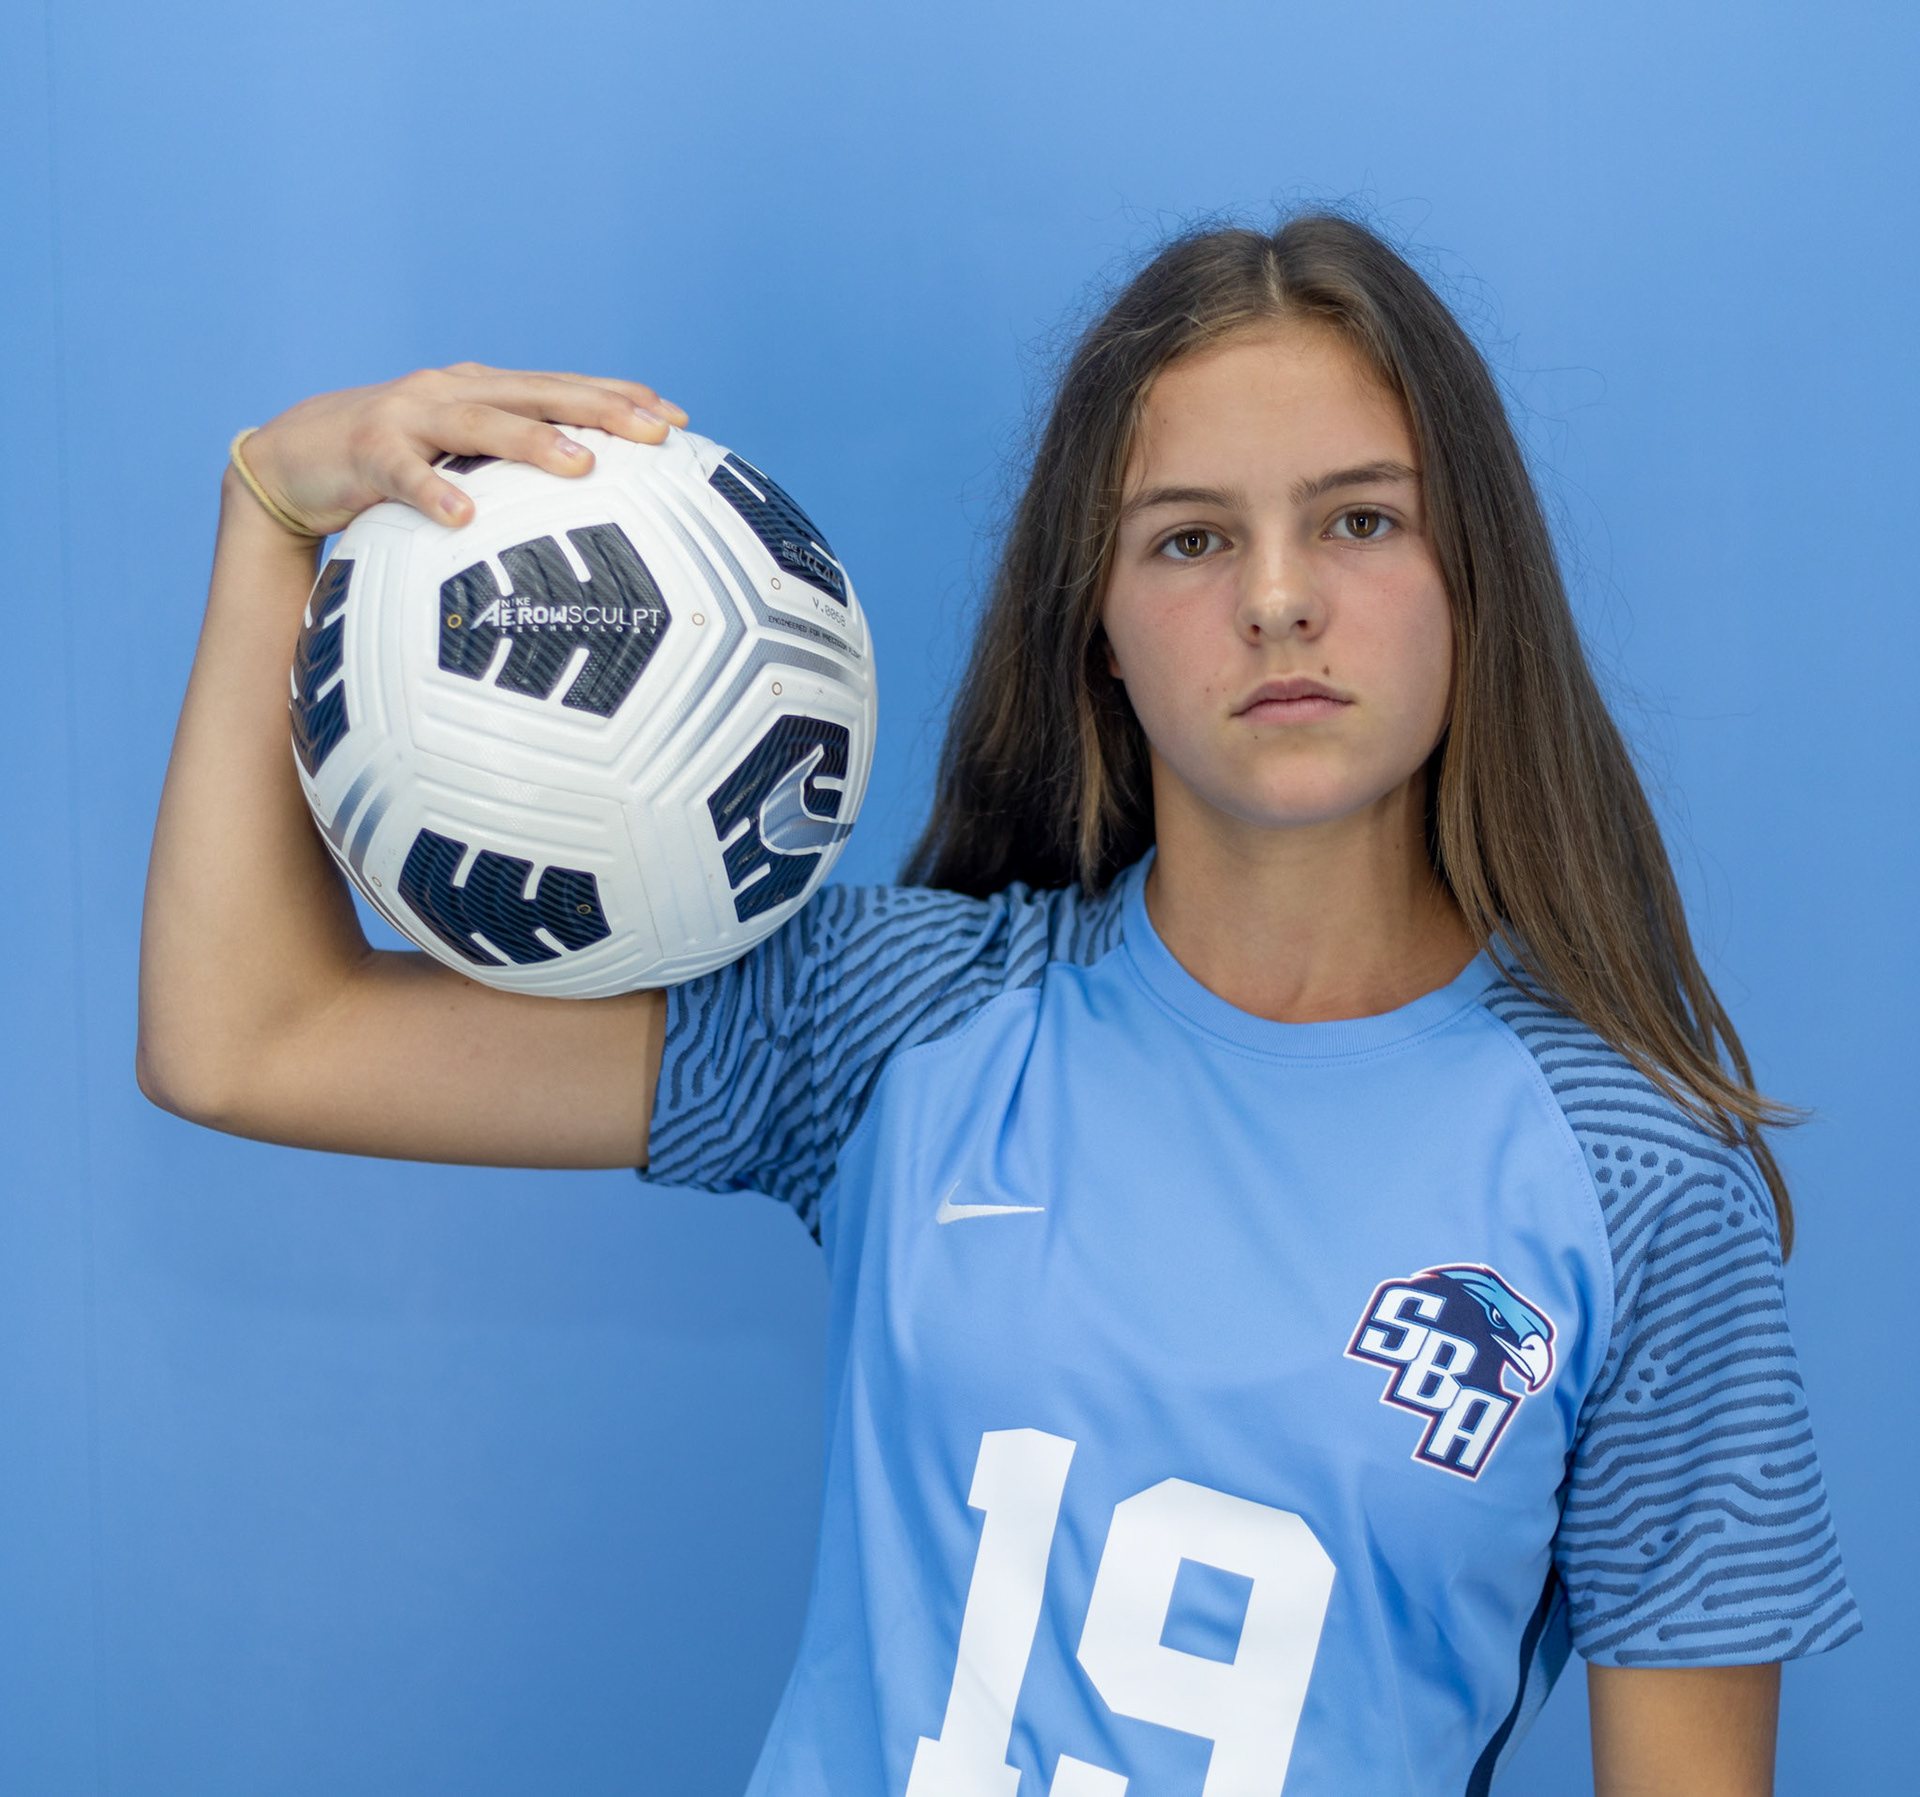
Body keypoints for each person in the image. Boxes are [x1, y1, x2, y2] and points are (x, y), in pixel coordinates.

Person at [139, 214, 1857, 1796]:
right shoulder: (901, 1027)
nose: (1279, 597)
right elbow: (248, 1033)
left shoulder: (1639, 1178)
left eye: (1361, 517)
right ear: (1096, 623)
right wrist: (268, 517)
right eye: (1190, 538)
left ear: (1472, 574)